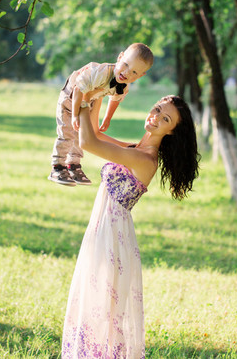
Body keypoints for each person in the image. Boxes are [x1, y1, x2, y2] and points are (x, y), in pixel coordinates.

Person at [61, 95, 200, 358]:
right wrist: (97, 96)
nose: (156, 117)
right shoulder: (134, 148)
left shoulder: (146, 159)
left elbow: (88, 142)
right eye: (158, 110)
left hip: (113, 237)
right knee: (95, 302)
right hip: (102, 230)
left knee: (104, 308)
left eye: (166, 119)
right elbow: (97, 134)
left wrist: (80, 99)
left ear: (171, 131)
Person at [49, 43, 154, 186]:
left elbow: (115, 98)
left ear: (141, 75)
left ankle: (73, 164)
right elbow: (78, 90)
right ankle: (57, 166)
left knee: (82, 133)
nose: (127, 73)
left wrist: (107, 118)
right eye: (126, 65)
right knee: (67, 132)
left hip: (89, 100)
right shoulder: (101, 72)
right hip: (71, 97)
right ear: (120, 57)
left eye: (135, 72)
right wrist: (74, 115)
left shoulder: (124, 85)